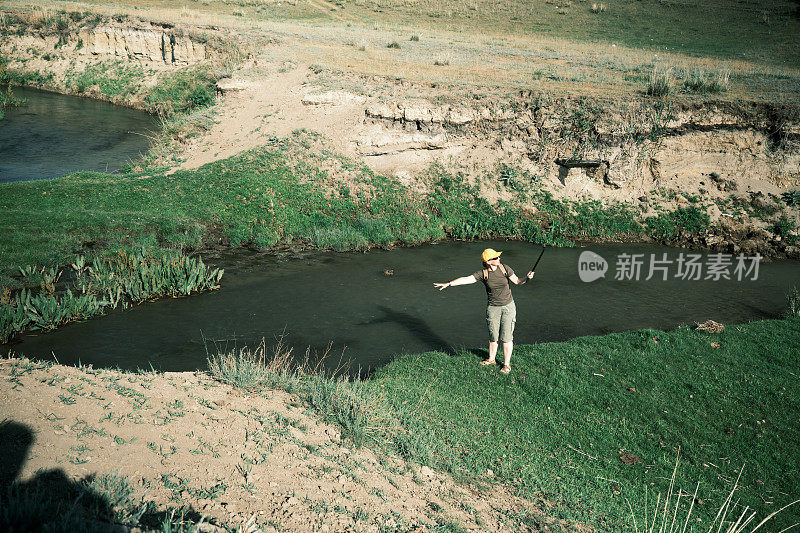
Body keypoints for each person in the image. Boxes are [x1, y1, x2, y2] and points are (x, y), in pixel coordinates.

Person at [434, 248, 534, 374]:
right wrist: (448, 283)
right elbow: (466, 279)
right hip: (493, 308)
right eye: (495, 258)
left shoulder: (505, 268)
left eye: (498, 257)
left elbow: (518, 281)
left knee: (507, 337)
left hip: (508, 307)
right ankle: (491, 359)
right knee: (493, 336)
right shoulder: (483, 274)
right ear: (488, 261)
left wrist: (527, 277)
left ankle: (506, 365)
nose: (499, 259)